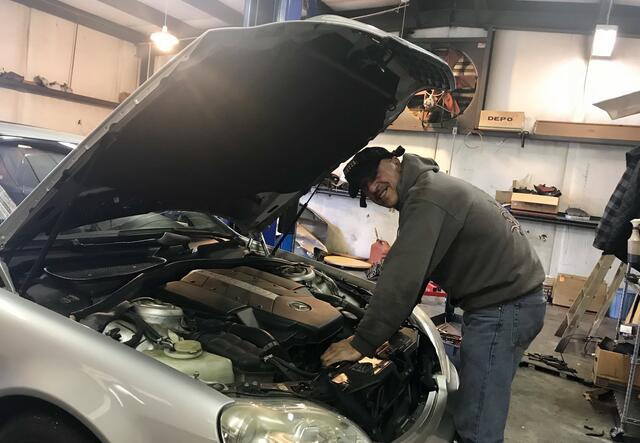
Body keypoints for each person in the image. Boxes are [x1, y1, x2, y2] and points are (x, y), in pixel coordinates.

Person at [321, 146, 546, 443]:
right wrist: (388, 325)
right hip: (509, 301)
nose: (372, 188)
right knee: (475, 401)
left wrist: (362, 341)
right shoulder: (427, 188)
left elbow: (403, 278)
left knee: (478, 422)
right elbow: (414, 266)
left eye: (374, 176)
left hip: (504, 307)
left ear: (394, 162)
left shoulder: (427, 198)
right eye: (363, 187)